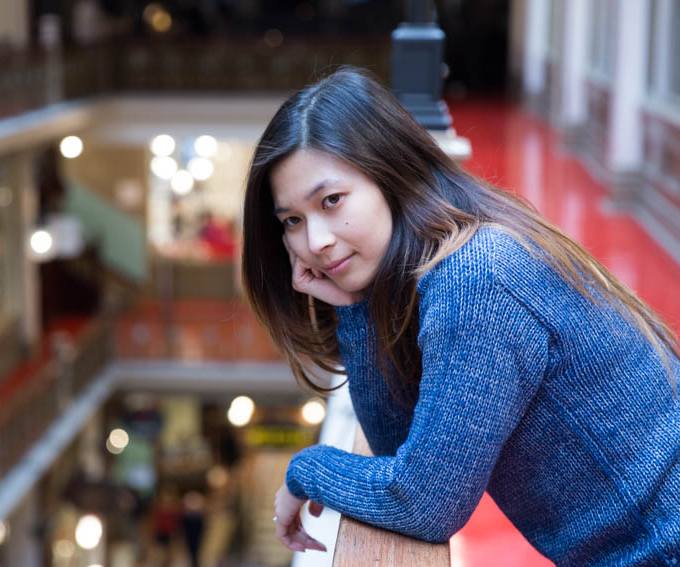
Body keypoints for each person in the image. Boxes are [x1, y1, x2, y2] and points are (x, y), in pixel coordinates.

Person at [240, 67, 680, 566]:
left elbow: (423, 505)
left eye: (331, 200)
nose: (314, 241)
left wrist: (305, 468)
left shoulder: (474, 279)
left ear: (390, 173)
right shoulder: (455, 256)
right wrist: (357, 308)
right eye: (293, 221)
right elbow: (397, 452)